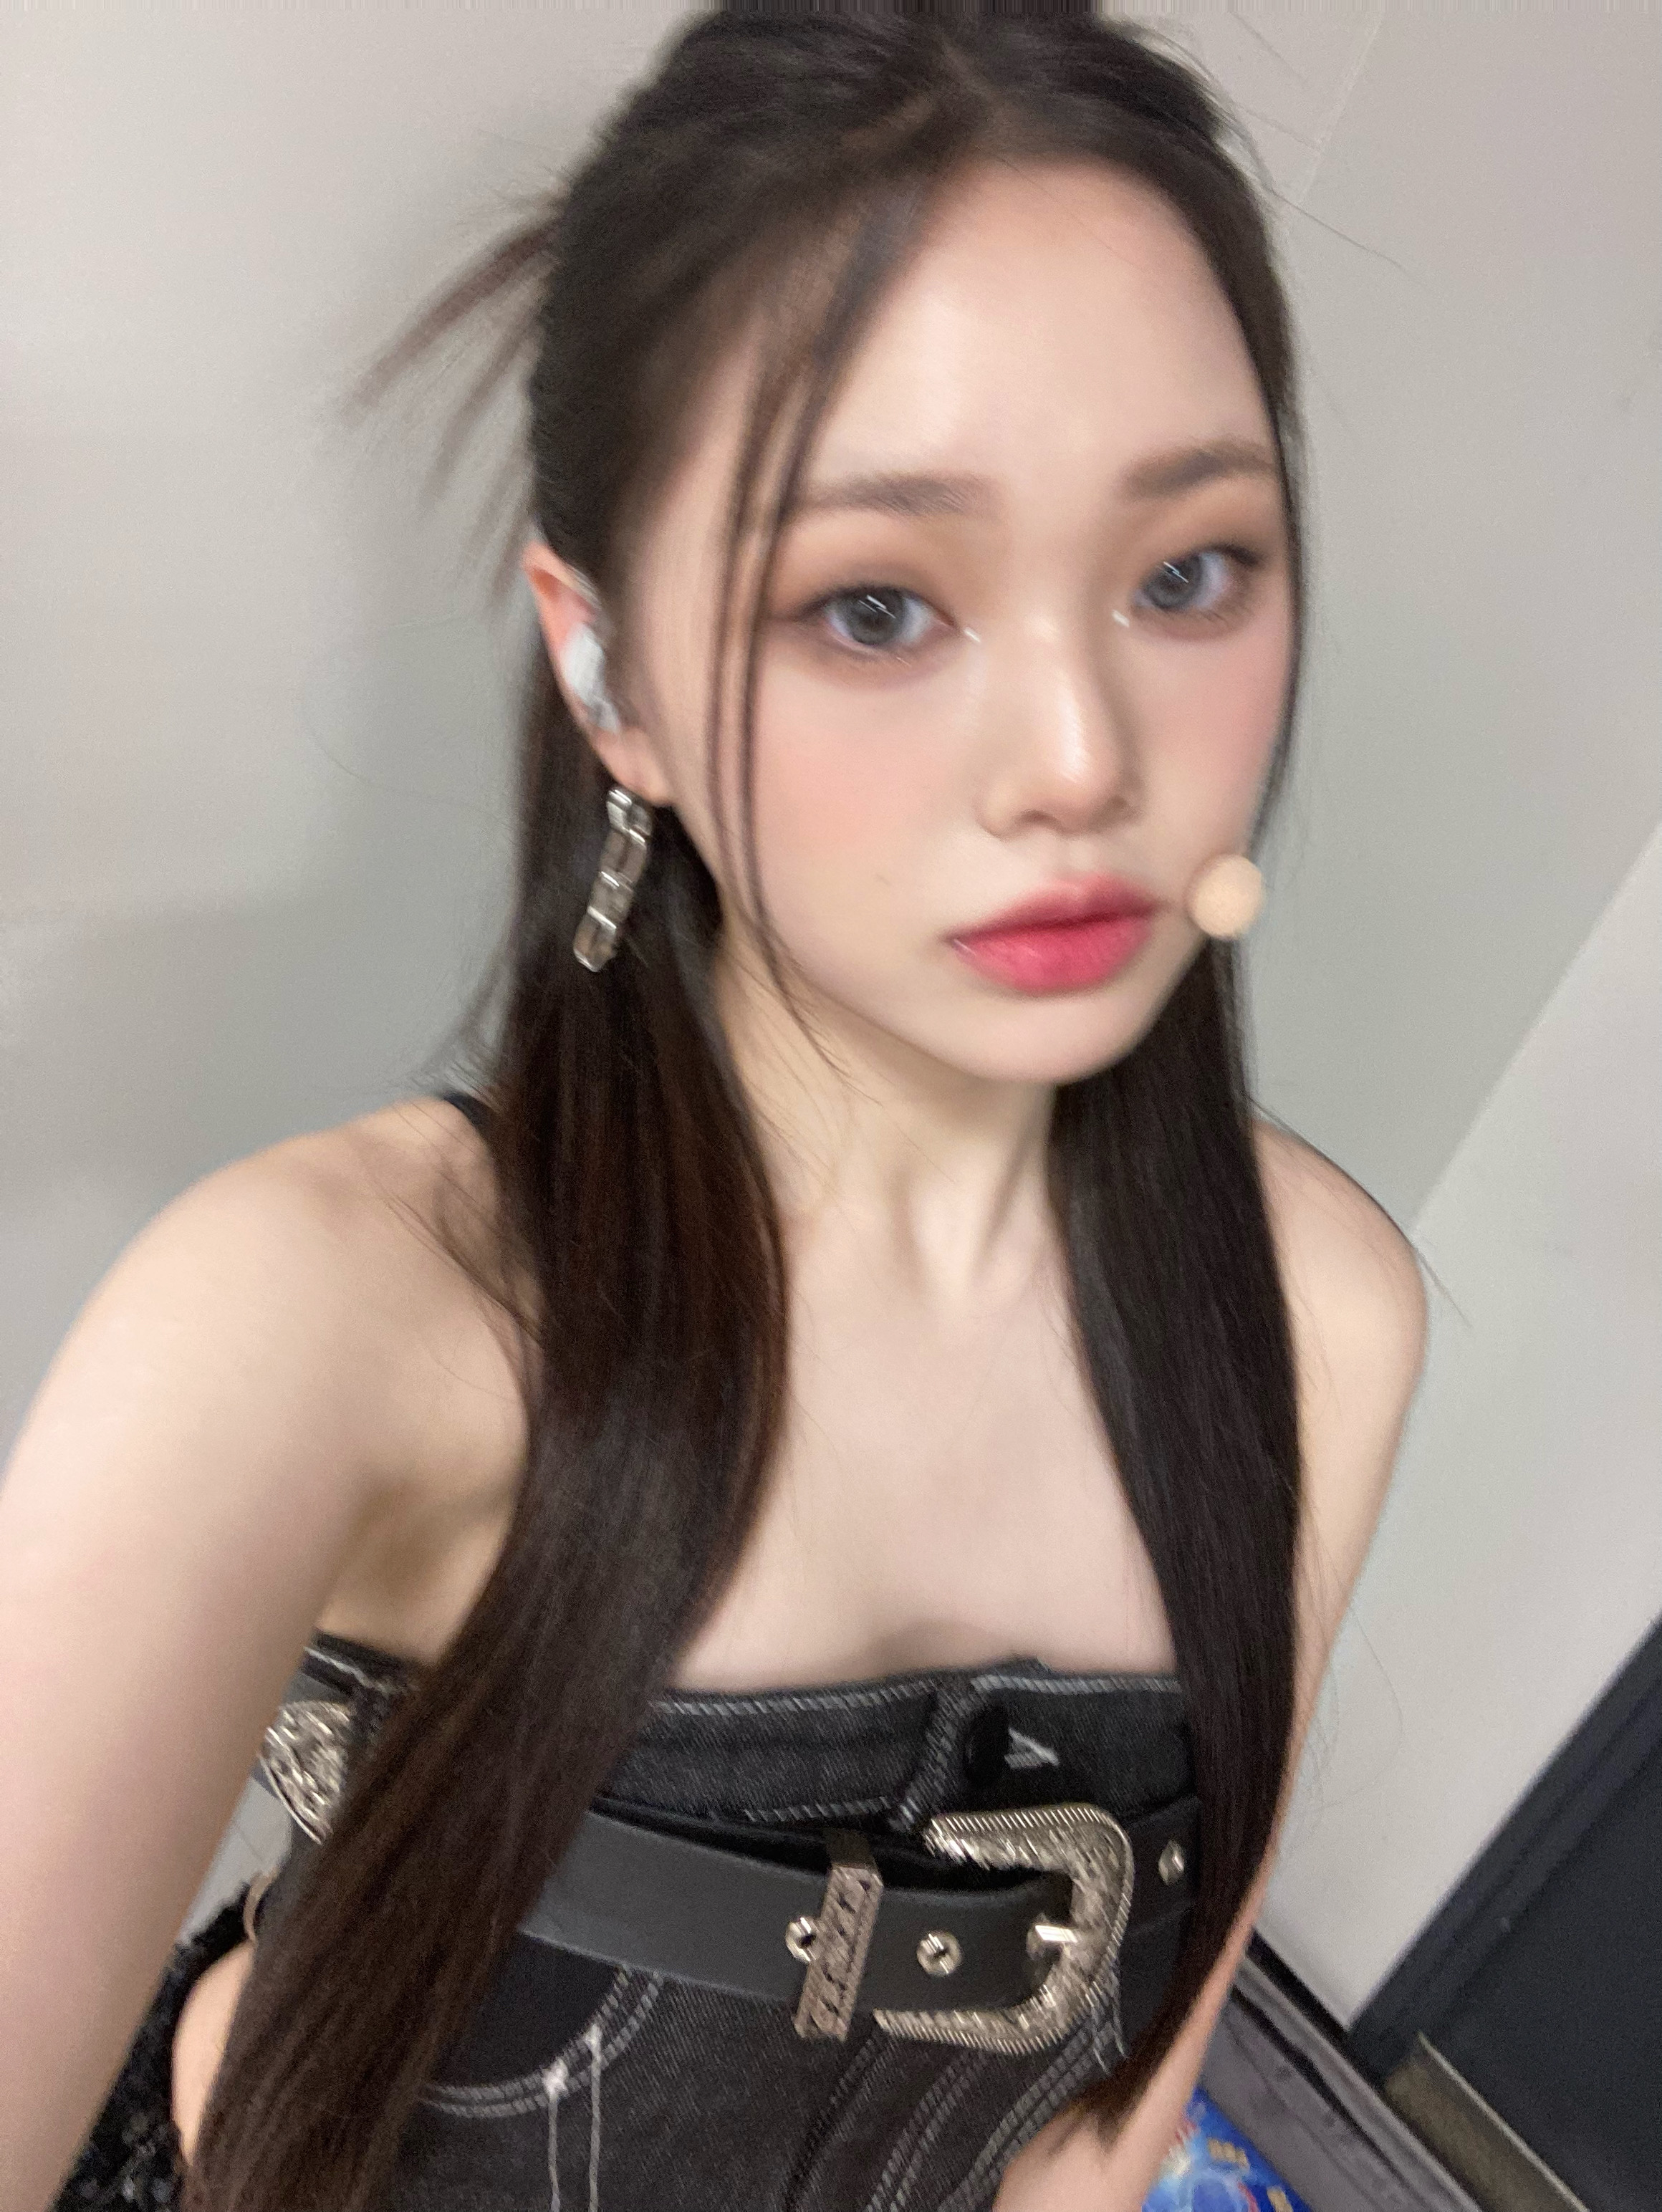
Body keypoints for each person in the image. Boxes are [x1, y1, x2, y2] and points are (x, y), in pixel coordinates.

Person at [4, 5, 1428, 2209]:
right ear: (609, 674)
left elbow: (1103, 2127)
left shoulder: (1317, 1311)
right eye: (876, 605)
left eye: (1187, 573)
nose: (1083, 754)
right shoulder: (340, 1312)